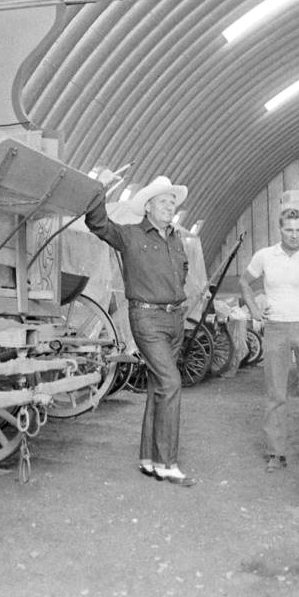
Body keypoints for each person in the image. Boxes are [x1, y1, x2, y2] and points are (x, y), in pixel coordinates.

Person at [85, 175, 198, 487]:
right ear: (147, 207)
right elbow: (98, 225)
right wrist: (98, 191)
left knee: (158, 387)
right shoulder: (130, 235)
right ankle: (167, 464)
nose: (169, 206)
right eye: (163, 201)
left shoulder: (176, 238)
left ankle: (148, 458)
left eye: (172, 201)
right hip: (147, 319)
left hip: (175, 318)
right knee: (171, 383)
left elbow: (182, 274)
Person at [239, 207, 299, 472]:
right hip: (276, 330)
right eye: (289, 230)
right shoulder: (265, 256)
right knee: (276, 394)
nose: (294, 235)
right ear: (279, 229)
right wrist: (254, 310)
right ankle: (276, 453)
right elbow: (244, 281)